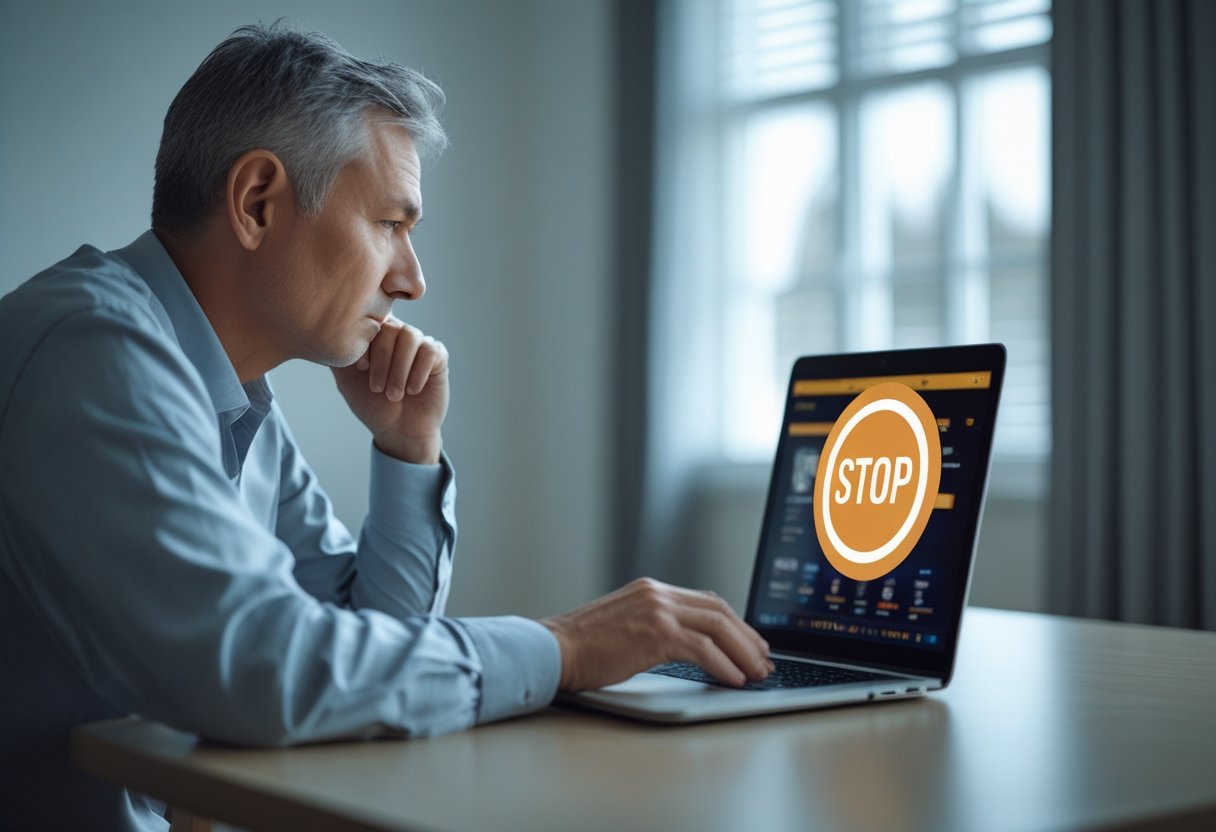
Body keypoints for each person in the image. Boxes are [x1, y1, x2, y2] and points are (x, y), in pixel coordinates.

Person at [0, 23, 772, 831]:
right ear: (258, 202)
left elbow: (361, 663)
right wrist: (564, 649)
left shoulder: (233, 398)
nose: (412, 279)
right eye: (390, 224)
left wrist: (408, 448)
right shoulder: (89, 353)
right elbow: (264, 670)